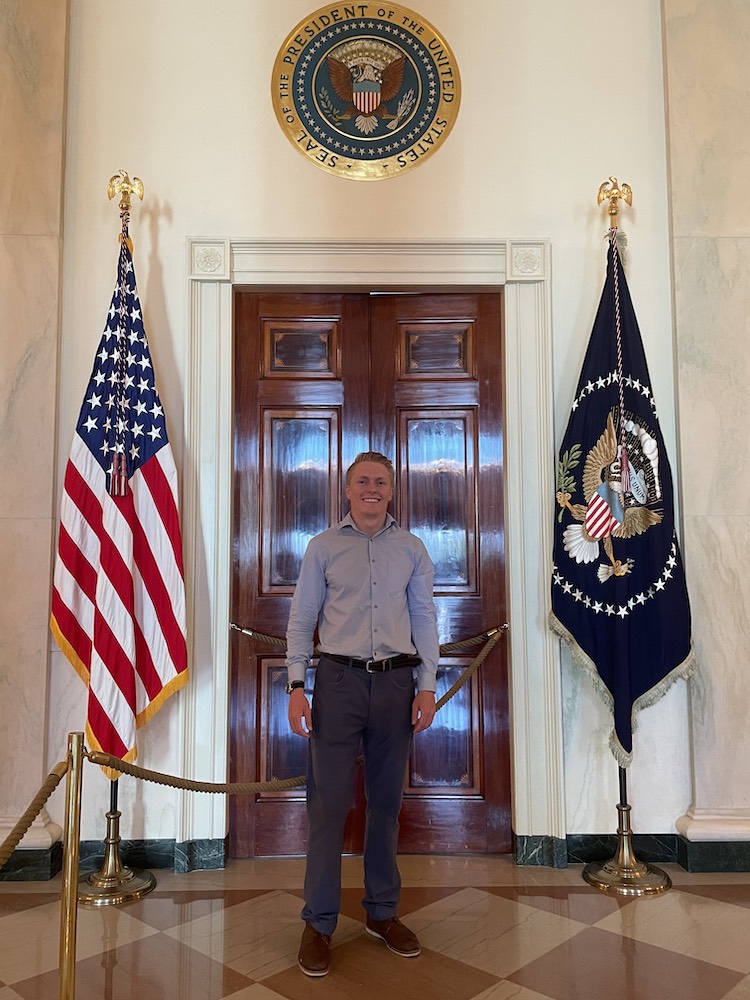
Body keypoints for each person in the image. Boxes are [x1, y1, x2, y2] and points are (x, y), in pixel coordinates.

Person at [285, 451, 440, 978]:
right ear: (347, 491)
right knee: (328, 807)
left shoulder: (412, 549)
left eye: (380, 482)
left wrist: (426, 687)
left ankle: (382, 913)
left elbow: (423, 617)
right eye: (362, 482)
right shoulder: (322, 548)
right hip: (338, 682)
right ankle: (319, 923)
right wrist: (296, 686)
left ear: (391, 492)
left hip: (397, 685)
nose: (371, 489)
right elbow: (303, 616)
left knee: (386, 806)